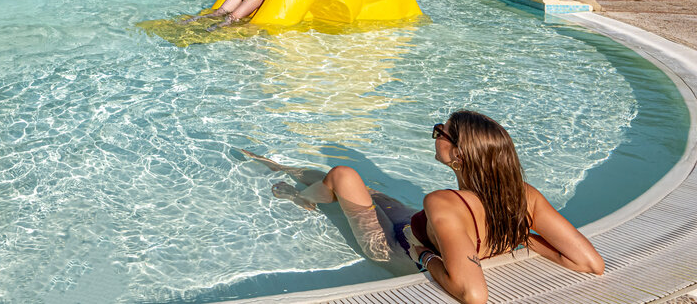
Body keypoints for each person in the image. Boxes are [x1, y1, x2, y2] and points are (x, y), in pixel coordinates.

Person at [242, 110, 603, 303]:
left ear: (459, 155)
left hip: (395, 249)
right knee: (353, 183)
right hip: (413, 226)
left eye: (440, 132)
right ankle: (287, 170)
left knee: (343, 174)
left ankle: (299, 196)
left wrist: (425, 258)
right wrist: (525, 236)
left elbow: (474, 295)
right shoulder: (525, 194)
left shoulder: (443, 202)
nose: (436, 134)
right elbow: (592, 263)